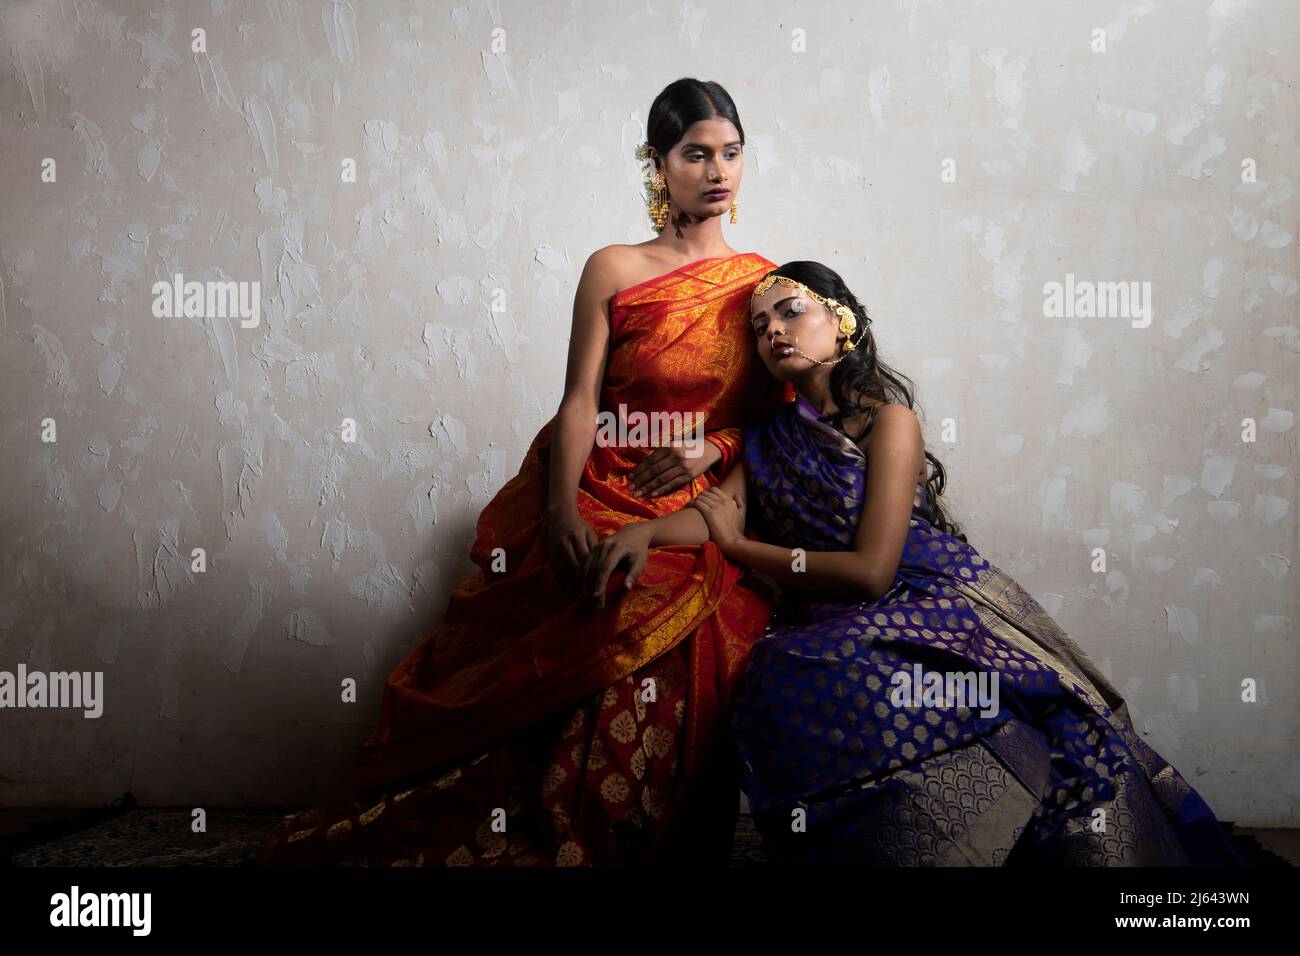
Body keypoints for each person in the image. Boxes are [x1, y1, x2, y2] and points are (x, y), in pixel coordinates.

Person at [257, 78, 788, 867]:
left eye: (732, 153)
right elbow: (578, 402)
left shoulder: (766, 284)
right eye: (696, 154)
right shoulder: (613, 267)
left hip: (705, 507)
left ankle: (612, 831)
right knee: (588, 591)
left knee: (645, 615)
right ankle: (530, 822)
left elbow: (785, 425)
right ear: (657, 164)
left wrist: (719, 448)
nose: (718, 171)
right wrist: (563, 511)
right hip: (600, 483)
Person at [583, 260, 1243, 866]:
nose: (774, 331)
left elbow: (872, 570)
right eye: (760, 327)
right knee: (779, 677)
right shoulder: (767, 439)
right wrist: (645, 533)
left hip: (923, 597)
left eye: (791, 312)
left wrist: (742, 550)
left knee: (1019, 731)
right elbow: (710, 513)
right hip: (820, 613)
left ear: (844, 324)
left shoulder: (887, 422)